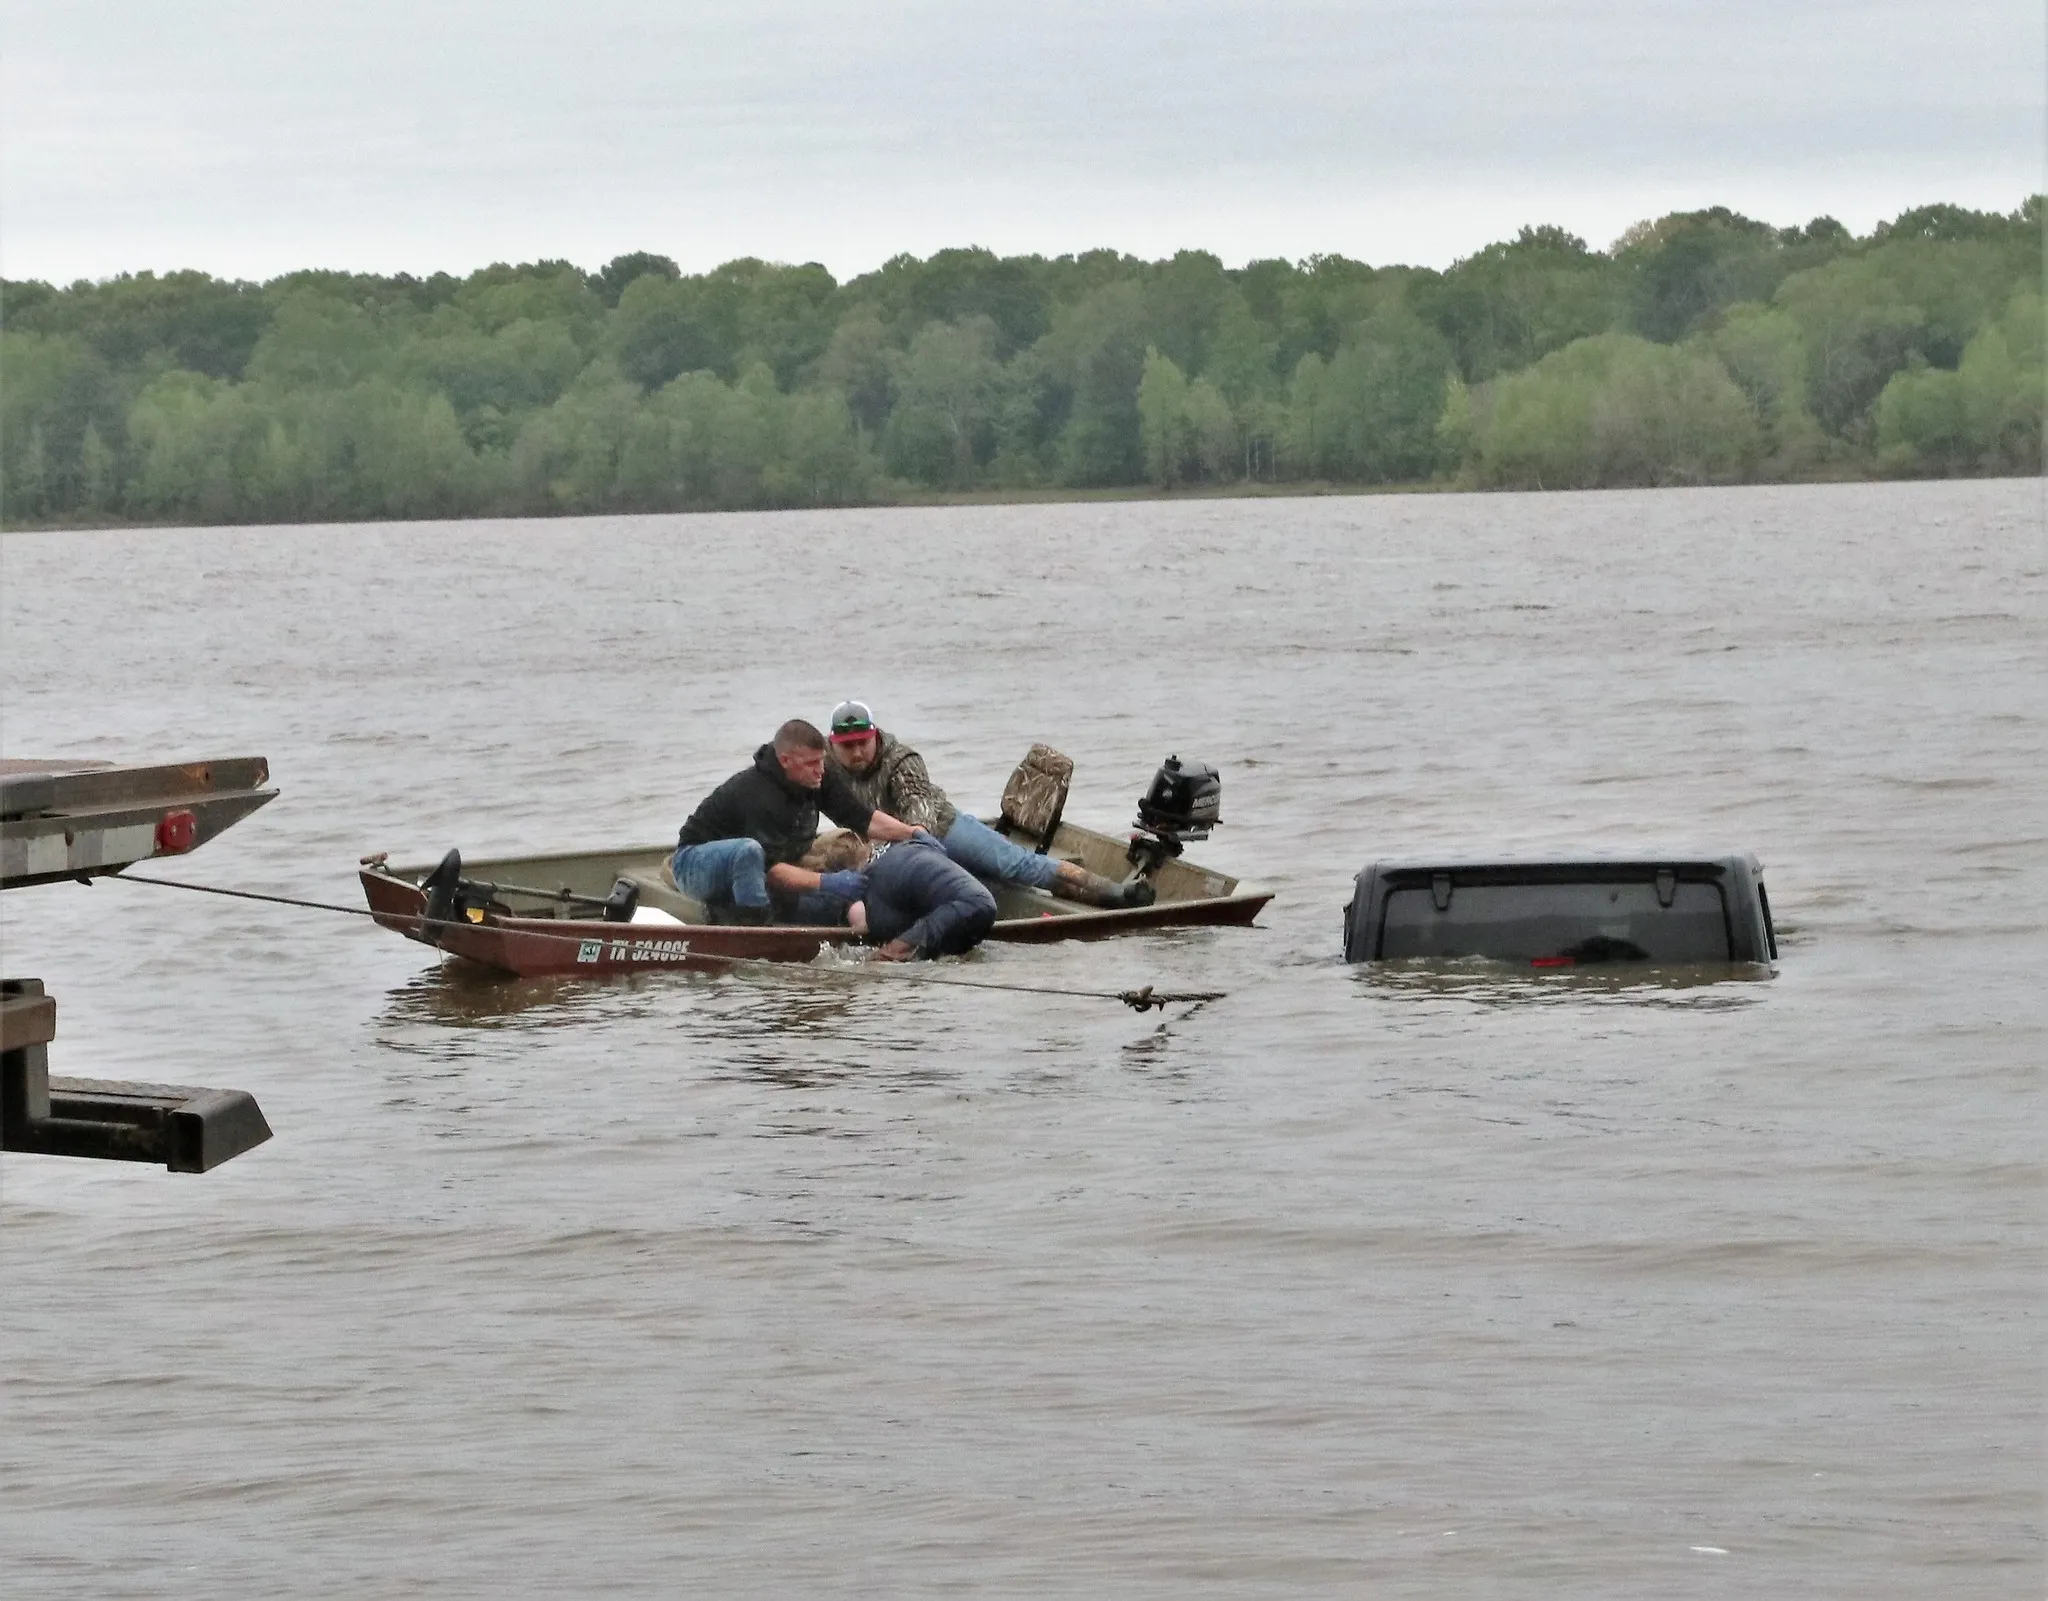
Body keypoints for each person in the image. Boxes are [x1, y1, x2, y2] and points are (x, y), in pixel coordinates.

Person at [822, 700, 1153, 909]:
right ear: (832, 743)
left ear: (875, 735)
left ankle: (1113, 892)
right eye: (846, 746)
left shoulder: (901, 760)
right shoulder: (820, 763)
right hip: (883, 846)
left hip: (940, 828)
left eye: (862, 743)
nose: (856, 753)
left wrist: (908, 847)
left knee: (1016, 866)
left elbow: (919, 813)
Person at [672, 719, 917, 924]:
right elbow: (771, 870)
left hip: (767, 865)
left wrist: (913, 833)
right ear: (786, 761)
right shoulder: (757, 794)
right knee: (749, 853)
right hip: (695, 863)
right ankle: (751, 925)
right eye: (811, 763)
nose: (820, 769)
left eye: (822, 760)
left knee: (834, 881)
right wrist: (828, 882)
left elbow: (862, 819)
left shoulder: (818, 776)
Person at [803, 829, 998, 960]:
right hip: (977, 905)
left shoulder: (871, 883)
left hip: (970, 906)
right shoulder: (909, 846)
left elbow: (872, 927)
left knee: (878, 961)